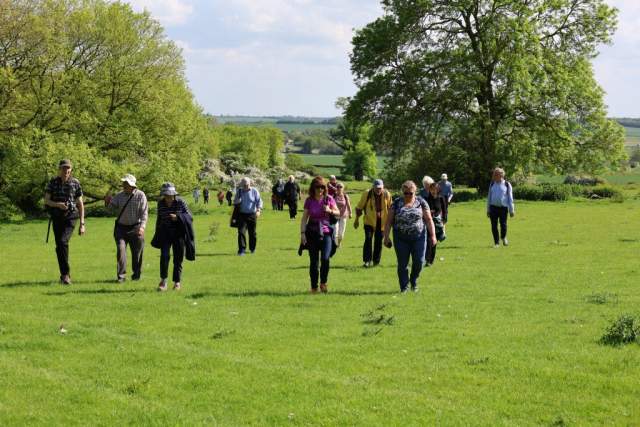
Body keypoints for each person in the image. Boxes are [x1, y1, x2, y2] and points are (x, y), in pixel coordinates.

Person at [384, 181, 437, 293]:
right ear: (403, 192)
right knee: (403, 262)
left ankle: (413, 280)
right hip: (400, 237)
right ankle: (404, 286)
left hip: (419, 236)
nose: (408, 195)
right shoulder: (396, 203)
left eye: (410, 193)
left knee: (419, 261)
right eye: (406, 193)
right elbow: (389, 221)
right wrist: (386, 237)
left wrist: (433, 236)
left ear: (415, 192)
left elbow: (428, 219)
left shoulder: (421, 202)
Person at [44, 159, 85, 285]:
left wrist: (82, 224)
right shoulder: (53, 182)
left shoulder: (75, 183)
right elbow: (46, 200)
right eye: (64, 168)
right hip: (57, 217)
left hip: (71, 217)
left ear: (71, 169)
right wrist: (57, 205)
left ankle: (66, 274)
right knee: (60, 246)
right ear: (59, 168)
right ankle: (64, 276)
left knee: (62, 242)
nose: (66, 170)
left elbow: (80, 204)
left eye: (68, 168)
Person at [104, 174, 148, 283]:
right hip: (121, 228)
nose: (124, 185)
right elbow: (109, 209)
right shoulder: (119, 195)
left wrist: (142, 227)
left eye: (126, 183)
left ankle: (136, 276)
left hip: (136, 227)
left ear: (132, 185)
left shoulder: (140, 195)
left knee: (137, 253)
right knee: (121, 250)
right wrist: (107, 201)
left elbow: (144, 214)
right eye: (123, 182)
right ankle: (121, 277)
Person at [151, 183, 194, 291]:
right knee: (164, 256)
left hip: (179, 234)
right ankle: (163, 282)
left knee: (178, 259)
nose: (170, 198)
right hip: (165, 234)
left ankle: (177, 283)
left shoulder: (181, 202)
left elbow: (189, 217)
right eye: (167, 196)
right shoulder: (160, 204)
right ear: (163, 196)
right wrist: (157, 234)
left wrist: (178, 217)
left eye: (171, 196)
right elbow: (159, 219)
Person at [300, 176, 339, 293]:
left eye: (322, 187)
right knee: (314, 261)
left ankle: (323, 283)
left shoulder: (329, 199)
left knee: (325, 259)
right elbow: (304, 219)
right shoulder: (309, 200)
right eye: (317, 187)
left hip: (326, 233)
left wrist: (329, 210)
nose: (320, 189)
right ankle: (314, 287)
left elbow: (339, 212)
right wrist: (303, 234)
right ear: (313, 188)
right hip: (312, 233)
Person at [354, 179, 393, 268]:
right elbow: (360, 208)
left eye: (380, 188)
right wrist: (356, 220)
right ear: (373, 187)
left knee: (378, 241)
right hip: (369, 221)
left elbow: (391, 209)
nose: (379, 190)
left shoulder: (387, 195)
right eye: (377, 188)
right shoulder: (366, 194)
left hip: (382, 221)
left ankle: (376, 262)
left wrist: (391, 222)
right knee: (368, 239)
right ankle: (367, 261)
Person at [233, 177, 263, 256]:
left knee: (252, 233)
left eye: (247, 185)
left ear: (250, 184)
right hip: (241, 215)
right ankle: (242, 250)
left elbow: (259, 201)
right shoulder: (239, 191)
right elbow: (234, 201)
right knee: (241, 233)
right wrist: (237, 201)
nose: (245, 187)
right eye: (244, 186)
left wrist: (259, 210)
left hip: (252, 214)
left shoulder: (254, 191)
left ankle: (252, 249)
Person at [487, 167, 515, 248]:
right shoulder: (492, 184)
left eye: (495, 174)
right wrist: (488, 210)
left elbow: (510, 198)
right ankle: (496, 243)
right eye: (493, 174)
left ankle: (503, 237)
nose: (493, 176)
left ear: (501, 175)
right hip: (493, 208)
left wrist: (511, 210)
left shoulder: (507, 184)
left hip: (503, 208)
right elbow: (489, 197)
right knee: (494, 226)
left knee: (503, 225)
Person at [423, 183, 447, 266]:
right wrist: (428, 212)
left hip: (437, 223)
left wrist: (444, 222)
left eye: (435, 189)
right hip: (428, 222)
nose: (433, 191)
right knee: (428, 241)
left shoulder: (441, 198)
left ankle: (432, 259)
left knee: (434, 241)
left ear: (438, 190)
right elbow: (422, 210)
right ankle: (428, 260)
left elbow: (445, 211)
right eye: (431, 189)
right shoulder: (426, 199)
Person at [333, 183, 352, 248]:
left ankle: (339, 244)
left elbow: (348, 205)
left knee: (341, 230)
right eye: (338, 187)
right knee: (335, 229)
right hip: (335, 215)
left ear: (343, 188)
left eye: (340, 187)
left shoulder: (345, 196)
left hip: (343, 216)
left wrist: (350, 213)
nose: (339, 188)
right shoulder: (333, 196)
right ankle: (334, 243)